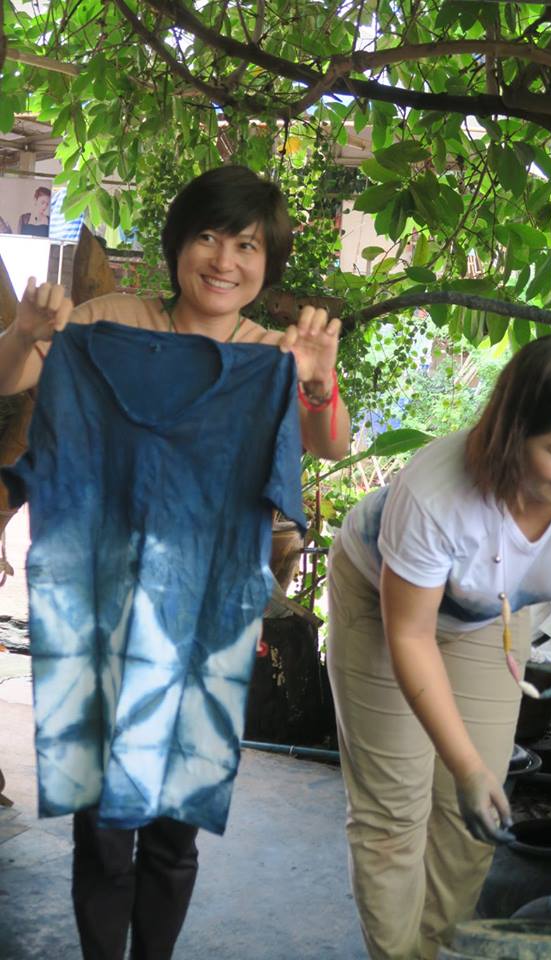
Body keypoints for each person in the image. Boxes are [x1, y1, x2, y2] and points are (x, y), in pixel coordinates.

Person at [0, 165, 350, 960]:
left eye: (247, 246)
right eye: (208, 237)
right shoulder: (109, 323)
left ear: (268, 263)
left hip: (204, 615)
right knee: (102, 825)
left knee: (173, 824)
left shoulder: (269, 356)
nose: (224, 260)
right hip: (98, 609)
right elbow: (10, 378)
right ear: (178, 245)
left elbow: (331, 443)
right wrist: (24, 331)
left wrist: (317, 378)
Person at [327, 333, 551, 960]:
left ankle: (436, 948)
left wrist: (472, 773)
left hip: (489, 612)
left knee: (475, 812)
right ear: (512, 435)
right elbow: (410, 635)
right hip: (385, 603)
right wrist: (463, 764)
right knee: (395, 811)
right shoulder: (438, 493)